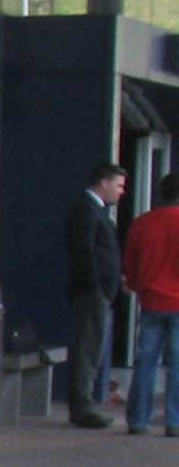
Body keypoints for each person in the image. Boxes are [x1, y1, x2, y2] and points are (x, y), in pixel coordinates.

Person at [66, 164, 129, 427]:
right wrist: (97, 286)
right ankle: (82, 408)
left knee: (92, 346)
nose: (121, 192)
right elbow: (85, 252)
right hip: (92, 292)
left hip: (99, 290)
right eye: (119, 185)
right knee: (88, 348)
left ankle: (84, 404)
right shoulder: (86, 210)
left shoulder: (96, 210)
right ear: (104, 183)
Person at [126, 178, 179, 435]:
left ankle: (138, 420)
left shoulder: (142, 223)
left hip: (150, 302)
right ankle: (175, 421)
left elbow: (130, 264)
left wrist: (137, 285)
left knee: (145, 362)